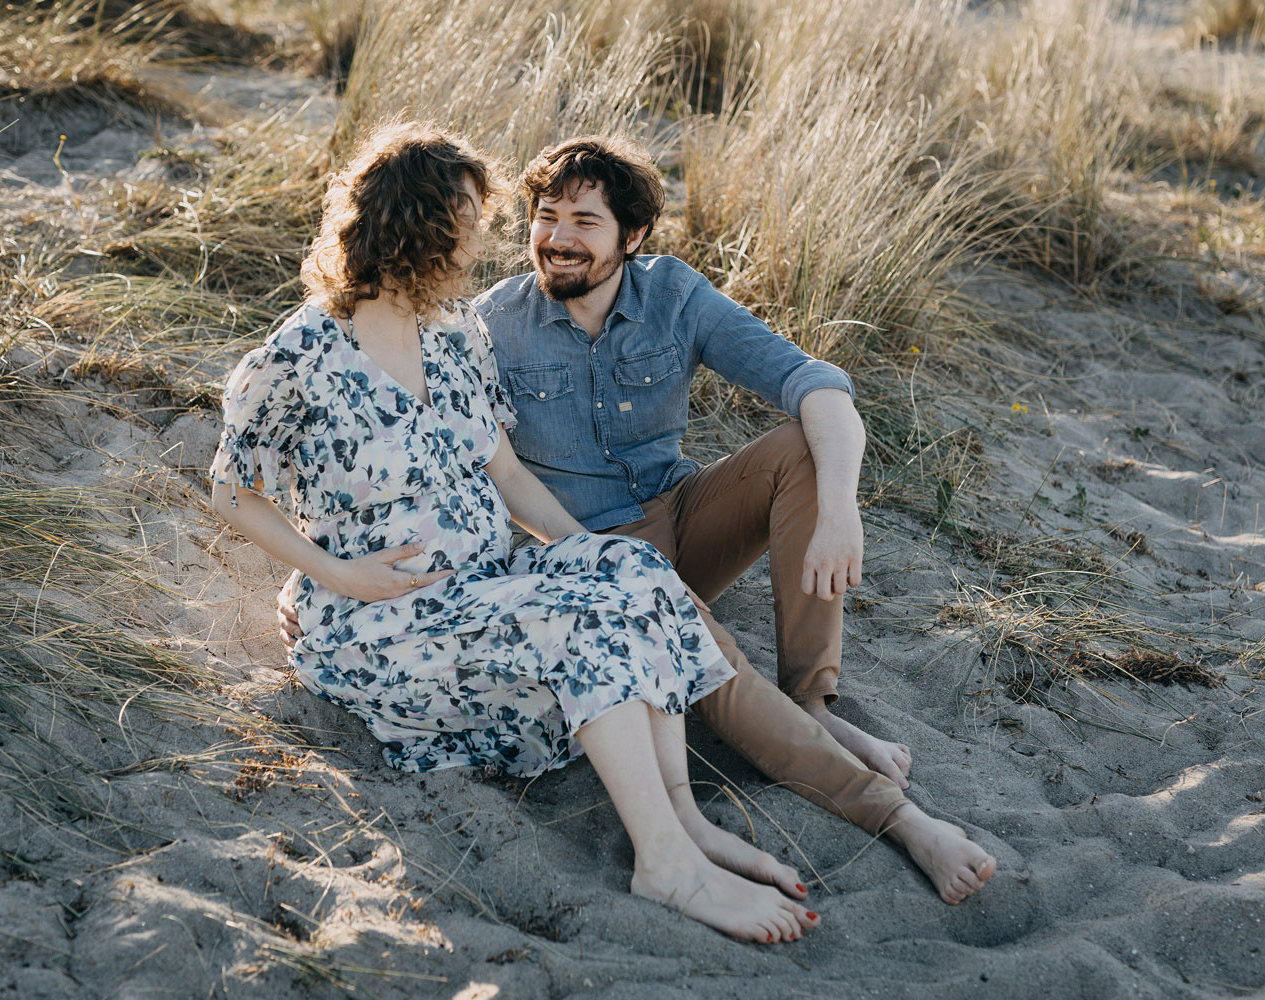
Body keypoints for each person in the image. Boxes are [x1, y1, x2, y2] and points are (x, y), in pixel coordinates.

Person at [287, 134, 995, 905]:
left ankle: (812, 701)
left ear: (632, 237)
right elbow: (394, 457)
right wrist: (312, 575)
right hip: (590, 545)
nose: (558, 238)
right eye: (546, 217)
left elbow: (814, 383)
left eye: (585, 222)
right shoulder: (488, 326)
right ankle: (898, 819)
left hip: (685, 510)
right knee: (713, 665)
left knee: (806, 449)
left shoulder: (674, 294)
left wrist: (840, 511)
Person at [210, 122, 821, 943]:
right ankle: (663, 863)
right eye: (467, 220)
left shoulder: (454, 334)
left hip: (481, 591)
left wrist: (594, 555)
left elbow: (509, 477)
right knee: (579, 616)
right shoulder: (302, 355)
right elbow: (232, 491)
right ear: (417, 227)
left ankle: (682, 819)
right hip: (383, 620)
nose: (483, 239)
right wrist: (333, 572)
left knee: (628, 572)